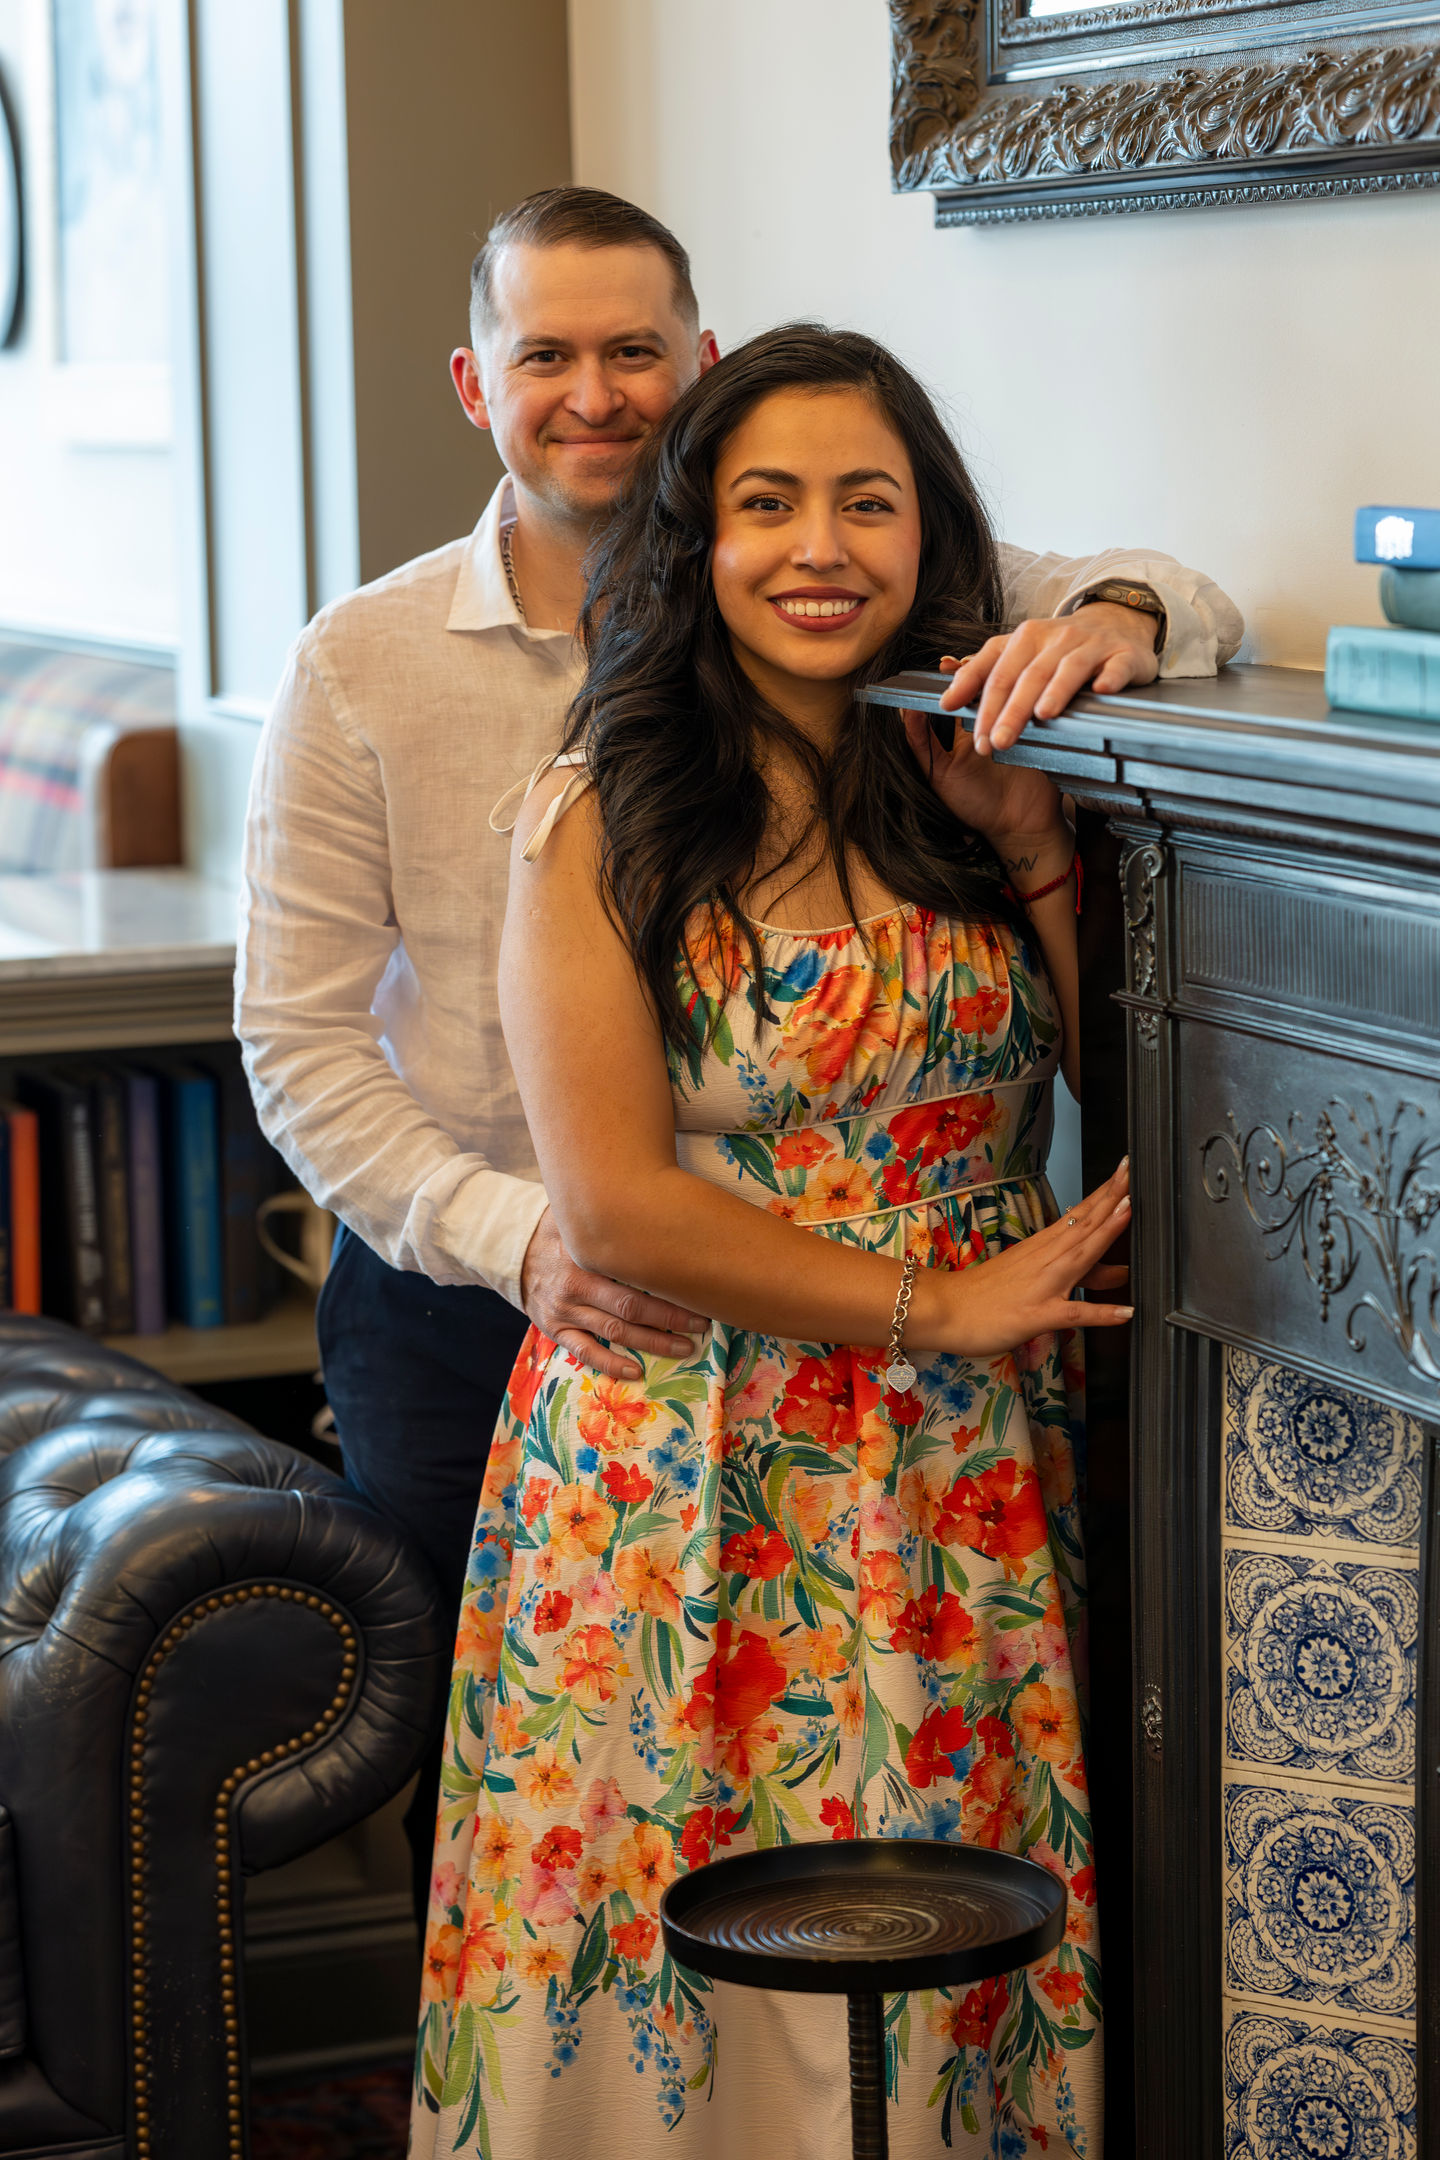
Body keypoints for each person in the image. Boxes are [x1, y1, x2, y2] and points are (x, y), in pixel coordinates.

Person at [235, 186, 1242, 1919]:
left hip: (926, 1399)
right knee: (571, 1802)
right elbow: (302, 1039)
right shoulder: (370, 663)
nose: (597, 391)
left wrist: (1130, 624)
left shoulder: (866, 622)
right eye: (547, 353)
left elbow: (1157, 593)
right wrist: (531, 1239)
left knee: (925, 1853)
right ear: (477, 384)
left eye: (637, 351)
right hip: (506, 1287)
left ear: (692, 372)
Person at [412, 323, 1139, 2160]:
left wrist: (1039, 843)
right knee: (690, 1917)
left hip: (963, 1468)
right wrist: (940, 1302)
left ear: (928, 536)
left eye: (867, 504)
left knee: (947, 1920)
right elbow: (616, 1202)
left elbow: (1119, 1093)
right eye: (766, 505)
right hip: (689, 1461)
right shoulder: (599, 811)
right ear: (695, 535)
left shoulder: (962, 773)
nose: (820, 547)